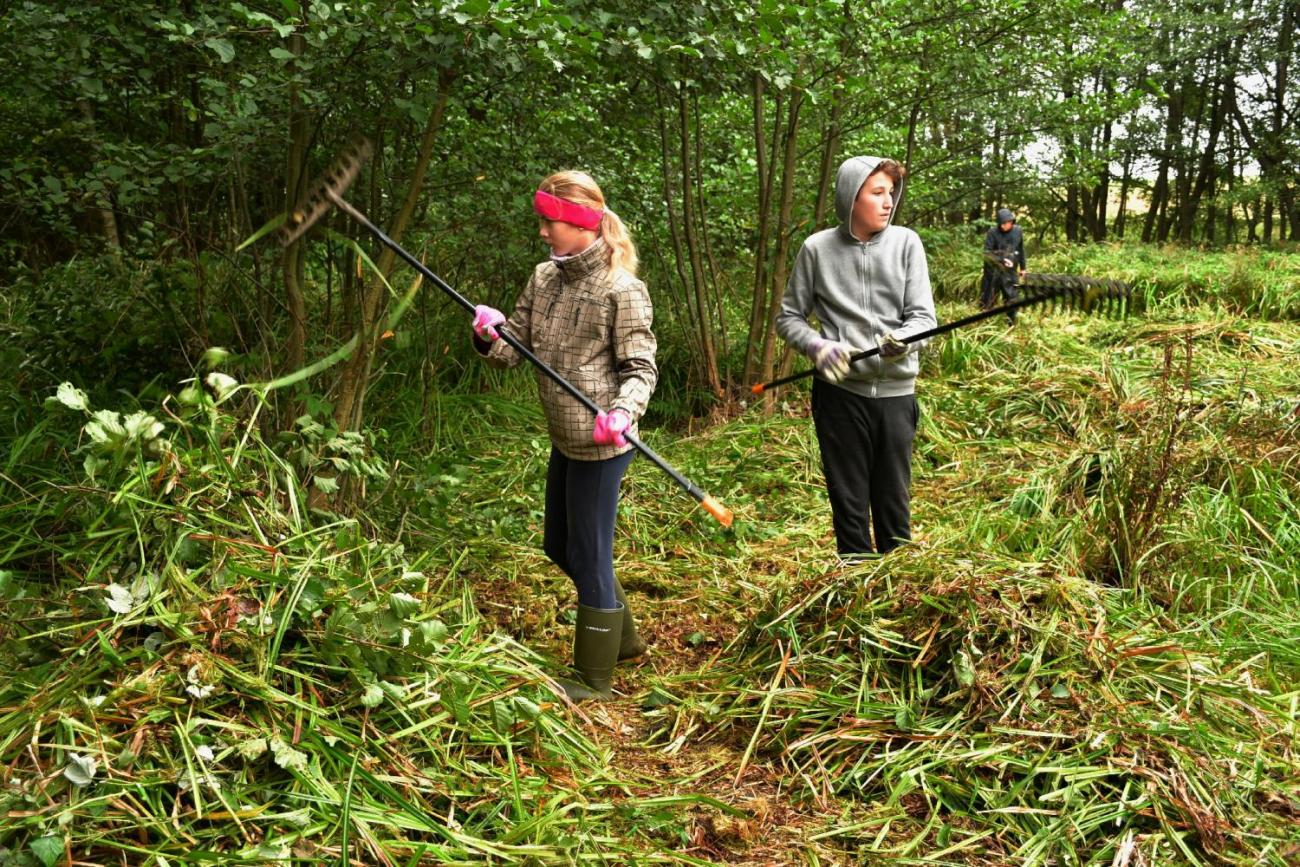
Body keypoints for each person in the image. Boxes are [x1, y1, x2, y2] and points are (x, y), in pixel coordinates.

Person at [470, 171, 657, 701]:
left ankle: (594, 679)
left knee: (591, 554)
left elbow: (642, 369)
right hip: (564, 436)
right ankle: (623, 640)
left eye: (550, 221)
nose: (543, 232)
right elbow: (514, 350)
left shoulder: (622, 290)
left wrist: (622, 412)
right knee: (559, 544)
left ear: (579, 222)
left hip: (603, 444)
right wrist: (489, 332)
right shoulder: (545, 278)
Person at [776, 156, 937, 559]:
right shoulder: (817, 249)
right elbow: (789, 318)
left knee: (893, 506)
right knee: (848, 507)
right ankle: (854, 593)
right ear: (851, 198)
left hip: (897, 395)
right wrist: (817, 346)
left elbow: (924, 317)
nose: (888, 202)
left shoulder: (906, 243)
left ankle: (896, 594)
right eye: (877, 193)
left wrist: (905, 339)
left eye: (891, 193)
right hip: (839, 397)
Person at [980, 207, 1026, 324]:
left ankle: (1010, 323)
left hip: (1010, 272)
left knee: (1012, 297)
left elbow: (1020, 249)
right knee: (988, 298)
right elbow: (987, 253)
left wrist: (1023, 267)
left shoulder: (1017, 231)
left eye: (1007, 223)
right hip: (993, 272)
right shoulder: (992, 233)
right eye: (1002, 223)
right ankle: (984, 324)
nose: (1004, 226)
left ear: (1012, 222)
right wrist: (1002, 260)